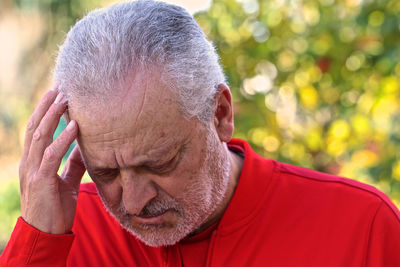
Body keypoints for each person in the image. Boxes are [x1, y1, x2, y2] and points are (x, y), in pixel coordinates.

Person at [1, 0, 400, 266]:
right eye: (105, 173)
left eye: (160, 162)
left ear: (221, 114)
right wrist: (39, 244)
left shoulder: (361, 228)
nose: (135, 203)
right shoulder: (65, 232)